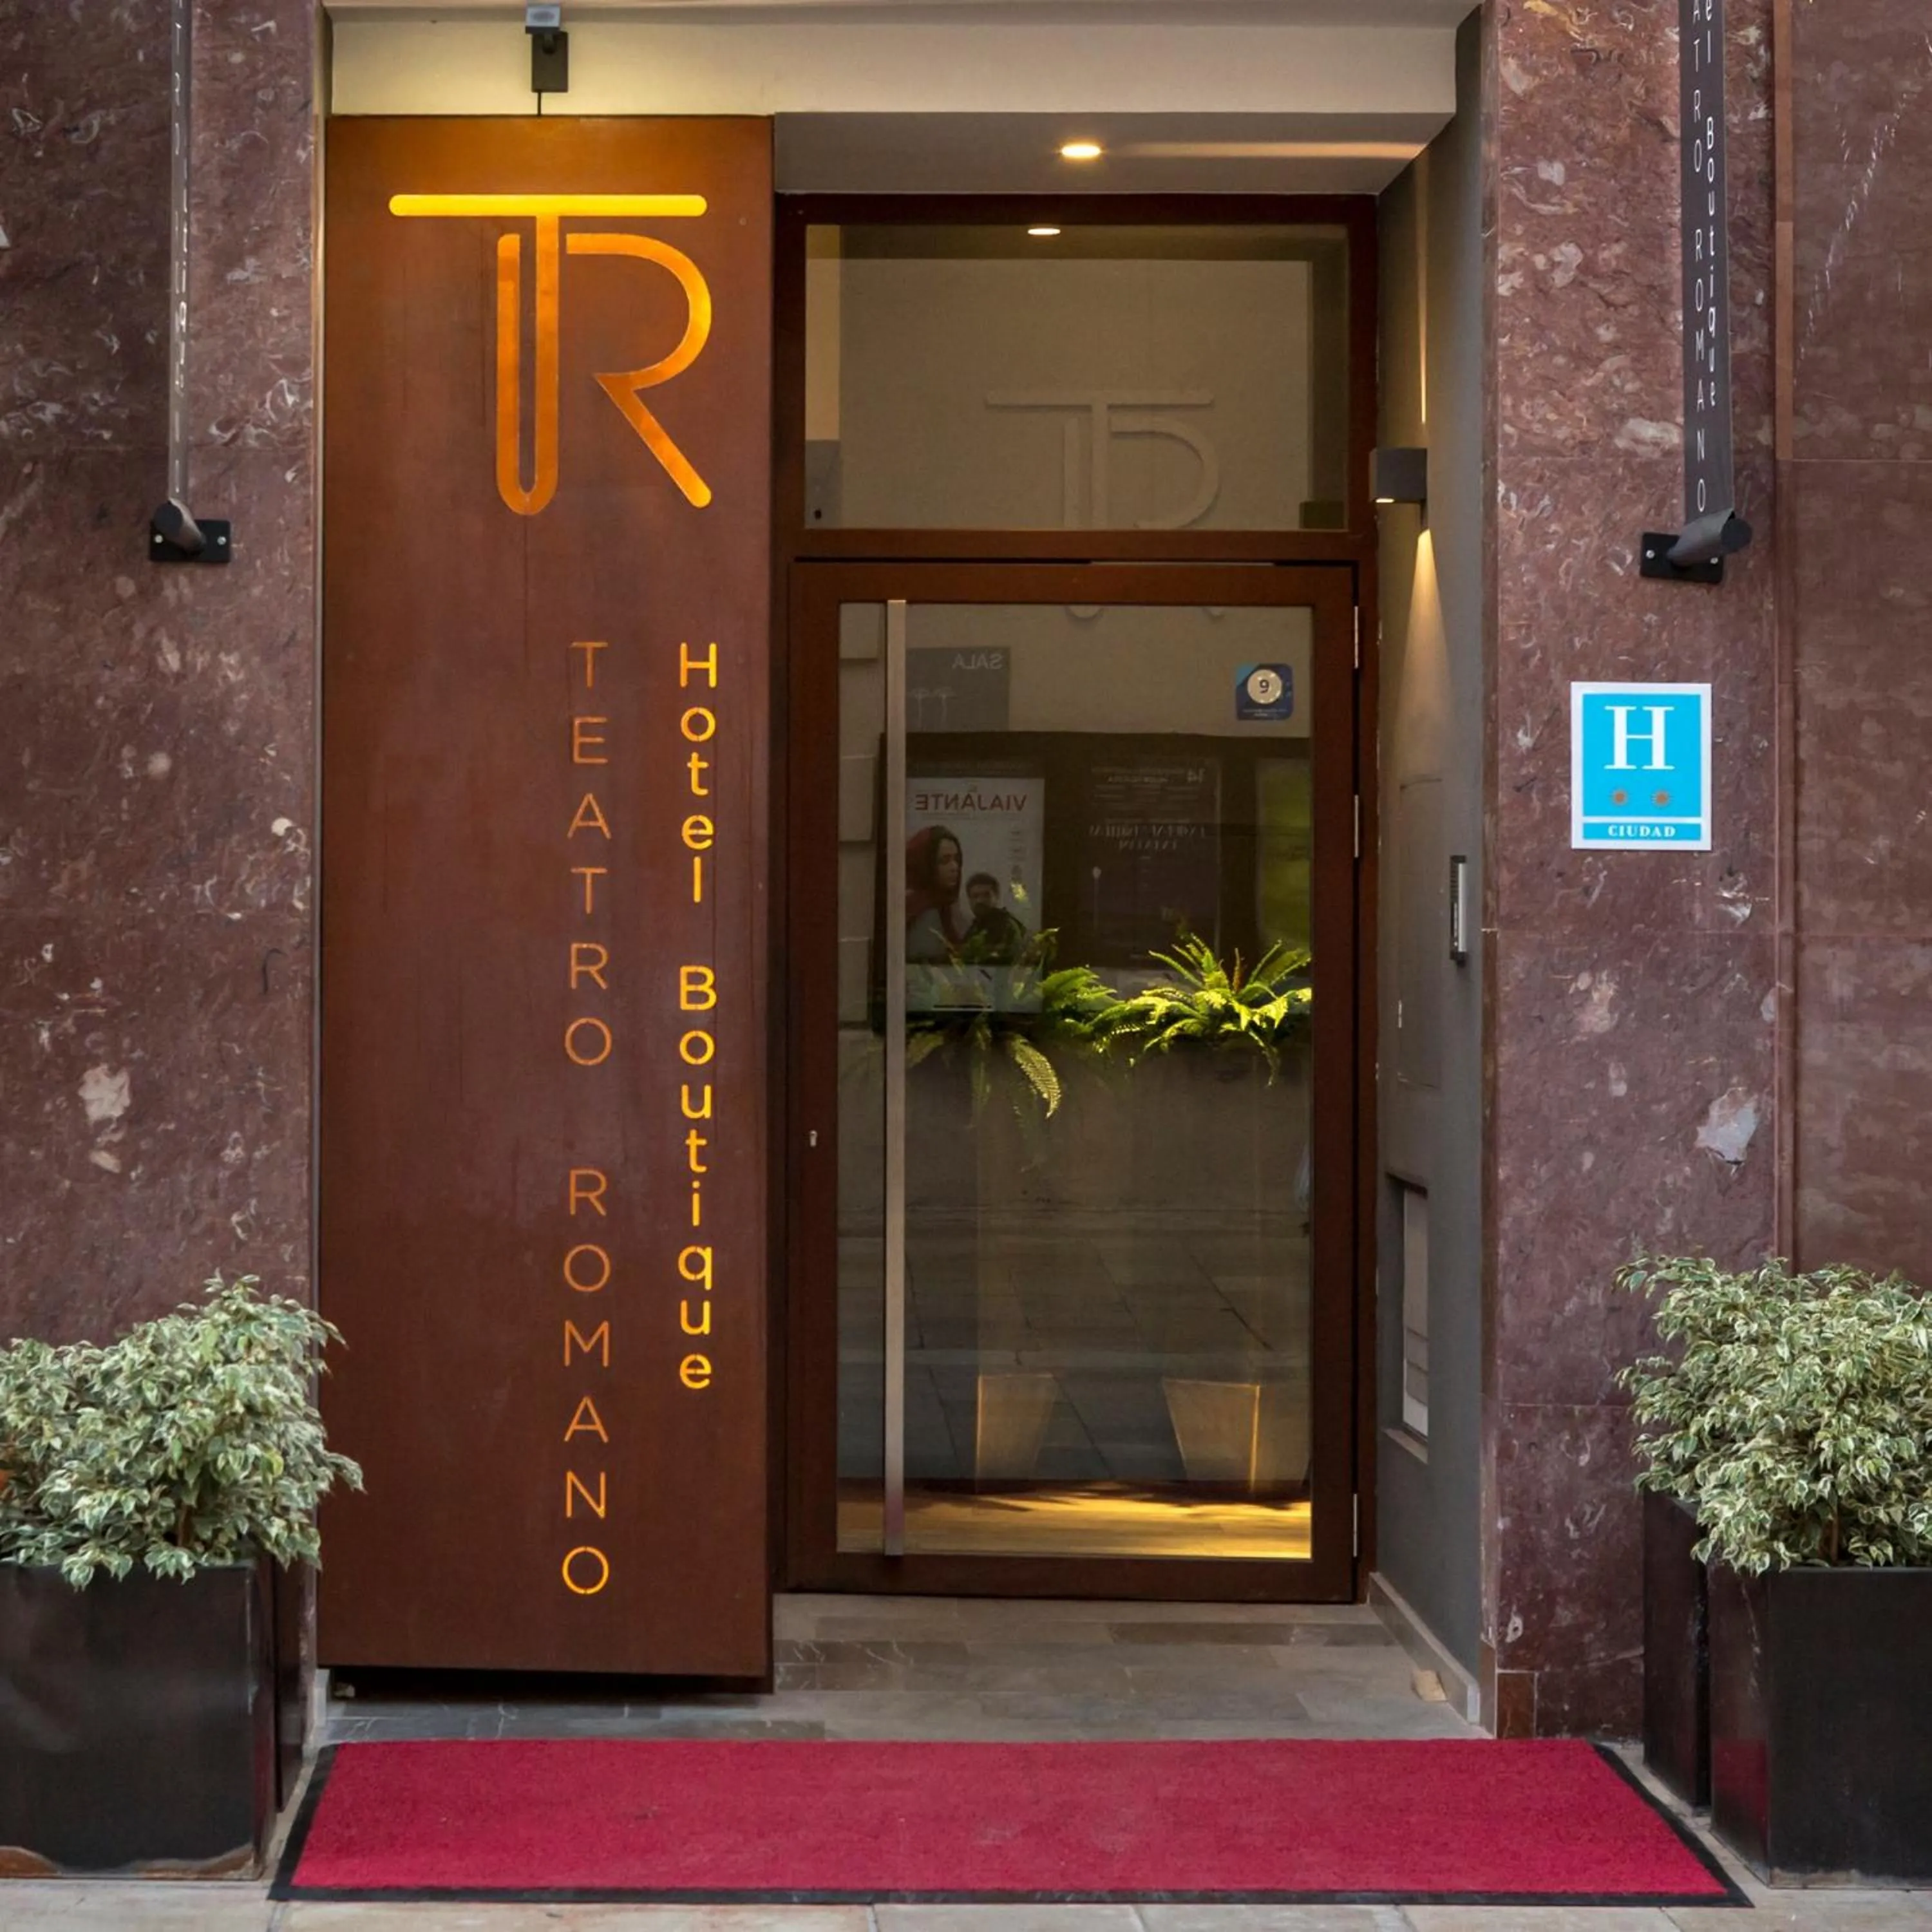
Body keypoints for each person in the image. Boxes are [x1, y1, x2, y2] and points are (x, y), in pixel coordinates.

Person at [904, 825, 966, 961]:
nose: (954, 868)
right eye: (945, 861)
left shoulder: (944, 907)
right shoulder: (924, 913)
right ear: (926, 866)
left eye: (957, 859)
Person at [964, 872, 1028, 961]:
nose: (980, 901)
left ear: (997, 896)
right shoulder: (974, 929)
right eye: (975, 896)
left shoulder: (1006, 926)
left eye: (986, 895)